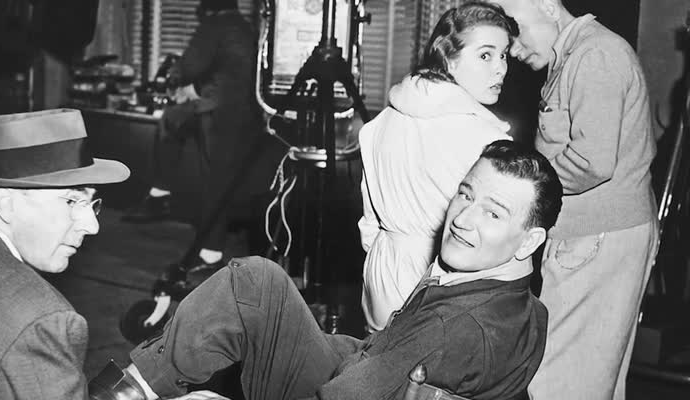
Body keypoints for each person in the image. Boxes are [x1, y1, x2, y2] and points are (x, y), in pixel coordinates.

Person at [90, 140, 563, 400]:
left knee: (248, 288)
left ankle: (125, 393)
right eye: (466, 193)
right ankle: (137, 388)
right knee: (259, 282)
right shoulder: (516, 301)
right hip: (364, 374)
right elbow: (389, 363)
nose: (463, 219)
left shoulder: (457, 326)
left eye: (493, 212)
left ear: (530, 240)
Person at [0, 109, 218, 400]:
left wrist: (130, 389)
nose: (93, 226)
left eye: (92, 203)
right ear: (5, 202)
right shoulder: (41, 319)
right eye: (72, 200)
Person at [489, 1, 659, 399]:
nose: (512, 48)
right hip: (593, 234)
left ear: (547, 6)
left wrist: (523, 189)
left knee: (560, 382)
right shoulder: (575, 55)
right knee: (589, 378)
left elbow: (592, 161)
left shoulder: (595, 55)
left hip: (597, 235)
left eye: (514, 27)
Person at [358, 1, 517, 331]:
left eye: (503, 55)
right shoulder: (487, 140)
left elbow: (369, 223)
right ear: (449, 59)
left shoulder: (381, 122)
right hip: (441, 283)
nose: (501, 69)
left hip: (382, 274)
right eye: (485, 55)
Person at [123, 0, 266, 272]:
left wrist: (177, 78)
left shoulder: (215, 24)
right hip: (248, 114)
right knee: (175, 122)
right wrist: (196, 89)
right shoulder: (246, 28)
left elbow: (190, 65)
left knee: (213, 180)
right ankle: (159, 196)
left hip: (219, 112)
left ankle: (206, 252)